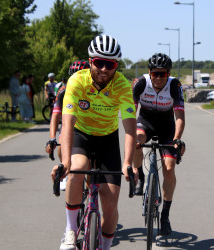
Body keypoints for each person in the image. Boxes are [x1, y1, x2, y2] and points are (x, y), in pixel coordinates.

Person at [50, 35, 137, 250]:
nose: (105, 69)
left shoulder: (122, 86)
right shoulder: (77, 81)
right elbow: (68, 124)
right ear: (90, 61)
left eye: (111, 64)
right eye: (100, 63)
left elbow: (130, 129)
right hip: (82, 134)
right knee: (77, 169)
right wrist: (66, 162)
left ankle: (106, 246)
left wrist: (128, 162)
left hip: (107, 140)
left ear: (116, 65)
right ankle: (70, 231)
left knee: (110, 202)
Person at [131, 52, 186, 236]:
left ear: (168, 74)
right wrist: (131, 136)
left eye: (163, 74)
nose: (159, 78)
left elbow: (179, 117)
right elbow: (131, 112)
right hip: (145, 121)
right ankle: (140, 174)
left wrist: (177, 139)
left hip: (166, 126)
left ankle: (165, 215)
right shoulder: (140, 83)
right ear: (150, 72)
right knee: (137, 141)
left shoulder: (174, 85)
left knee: (169, 168)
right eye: (155, 73)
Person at [45, 60, 90, 191]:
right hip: (70, 125)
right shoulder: (64, 90)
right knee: (61, 144)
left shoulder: (93, 89)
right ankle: (66, 172)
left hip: (89, 127)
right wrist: (52, 137)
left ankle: (91, 193)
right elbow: (56, 114)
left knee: (93, 169)